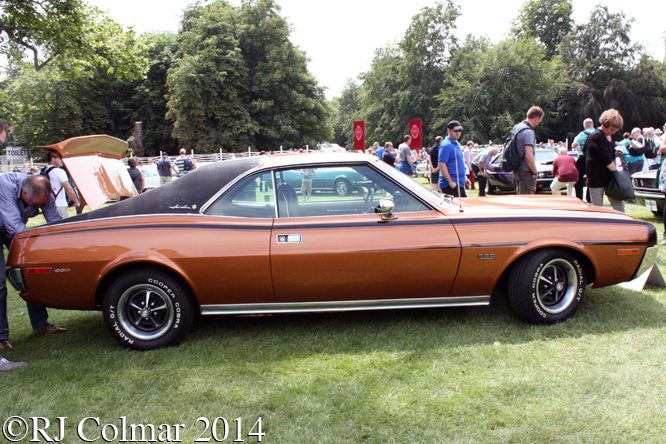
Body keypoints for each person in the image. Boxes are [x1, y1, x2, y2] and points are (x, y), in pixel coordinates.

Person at [1, 137, 67, 372]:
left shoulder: (42, 189)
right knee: (0, 283)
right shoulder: (5, 187)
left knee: (32, 272)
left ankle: (41, 324)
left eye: (43, 204)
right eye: (35, 205)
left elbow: (55, 222)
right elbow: (14, 228)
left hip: (13, 228)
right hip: (7, 227)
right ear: (24, 194)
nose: (39, 207)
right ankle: (1, 337)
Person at [585, 109, 624, 212]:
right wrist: (617, 175)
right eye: (612, 129)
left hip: (609, 176)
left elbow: (606, 151)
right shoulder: (597, 136)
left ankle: (623, 225)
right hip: (596, 177)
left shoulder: (611, 135)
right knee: (598, 209)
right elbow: (605, 158)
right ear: (604, 124)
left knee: (619, 205)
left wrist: (615, 152)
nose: (614, 132)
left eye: (616, 130)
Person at [512, 106, 544, 195]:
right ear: (537, 118)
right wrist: (534, 171)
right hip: (526, 170)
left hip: (517, 169)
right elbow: (528, 156)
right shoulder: (528, 132)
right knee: (527, 201)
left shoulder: (517, 127)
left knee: (520, 198)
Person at [43, 151, 79, 219]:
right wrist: (76, 202)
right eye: (59, 158)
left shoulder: (42, 171)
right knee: (63, 227)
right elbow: (69, 189)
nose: (61, 160)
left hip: (47, 205)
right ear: (52, 159)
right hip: (60, 204)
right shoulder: (59, 171)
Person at [438, 120, 469, 197]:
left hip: (458, 183)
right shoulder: (446, 145)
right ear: (449, 130)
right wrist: (450, 182)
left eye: (460, 130)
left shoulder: (456, 144)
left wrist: (464, 178)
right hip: (451, 185)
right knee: (457, 207)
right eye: (455, 130)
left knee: (464, 206)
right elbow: (442, 164)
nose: (458, 132)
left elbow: (458, 163)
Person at [571, 118, 595, 201]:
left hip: (583, 158)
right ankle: (590, 197)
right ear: (592, 124)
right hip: (594, 159)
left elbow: (574, 145)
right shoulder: (598, 133)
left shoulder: (582, 134)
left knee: (579, 178)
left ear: (585, 125)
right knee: (591, 178)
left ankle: (579, 197)